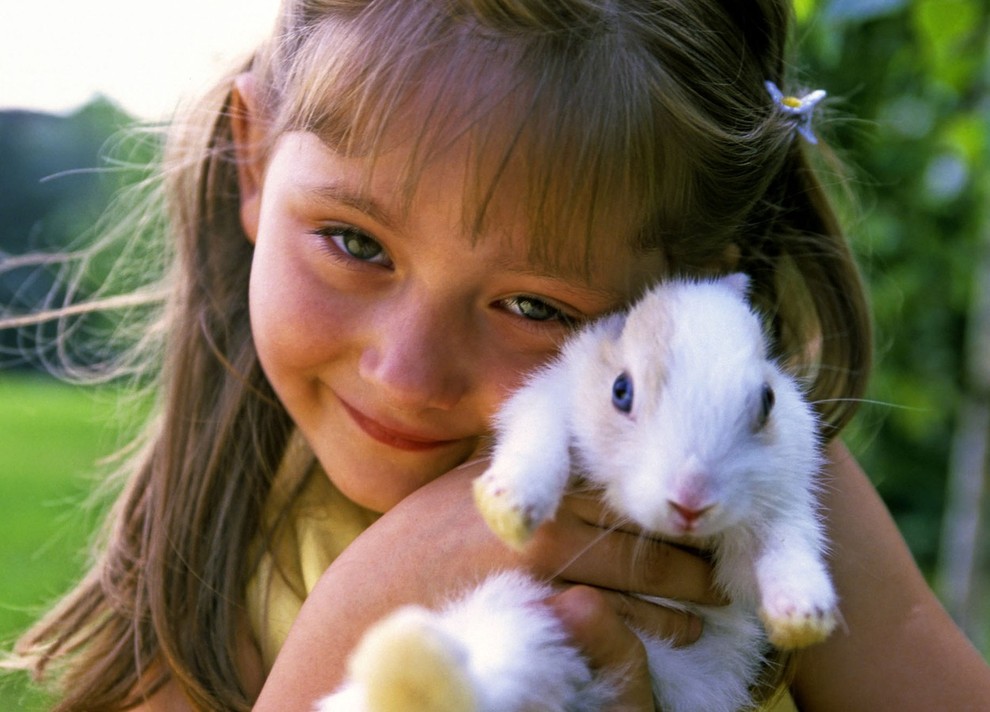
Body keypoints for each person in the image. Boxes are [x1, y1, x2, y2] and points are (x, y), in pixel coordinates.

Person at [7, 0, 990, 710]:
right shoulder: (227, 525)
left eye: (531, 304)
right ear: (257, 158)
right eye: (355, 243)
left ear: (678, 296)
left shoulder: (761, 481)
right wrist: (358, 614)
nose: (406, 370)